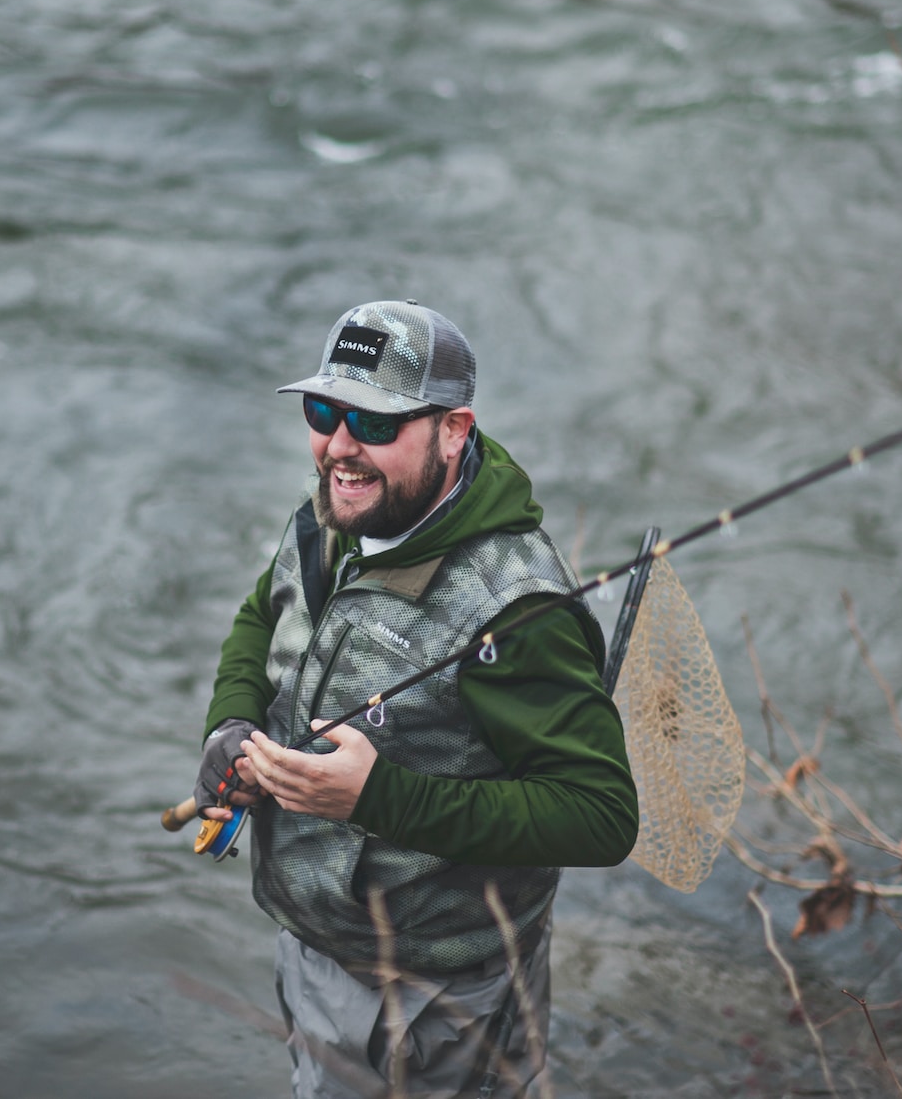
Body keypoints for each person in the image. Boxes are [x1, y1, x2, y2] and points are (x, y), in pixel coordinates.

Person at [193, 300, 639, 1098]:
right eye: (323, 412)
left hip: (442, 1000)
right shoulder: (337, 508)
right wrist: (230, 722)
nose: (340, 446)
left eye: (373, 422)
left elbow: (600, 816)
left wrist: (379, 797)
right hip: (315, 943)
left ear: (454, 430)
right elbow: (264, 614)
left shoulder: (519, 611)